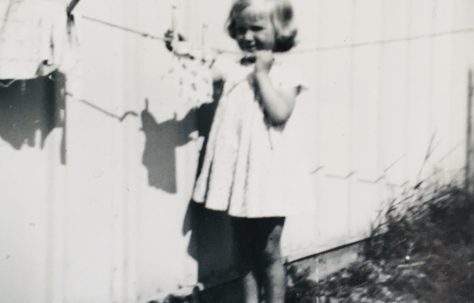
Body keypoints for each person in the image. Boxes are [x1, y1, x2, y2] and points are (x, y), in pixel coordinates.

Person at [165, 0, 314, 302]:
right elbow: (203, 62)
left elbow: (279, 113)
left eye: (256, 28)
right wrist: (181, 47)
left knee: (269, 251)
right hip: (239, 177)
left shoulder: (288, 71)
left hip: (269, 177)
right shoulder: (232, 65)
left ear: (280, 30)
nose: (246, 36)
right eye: (240, 29)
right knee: (242, 250)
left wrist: (261, 74)